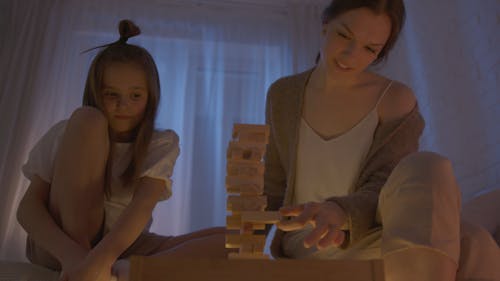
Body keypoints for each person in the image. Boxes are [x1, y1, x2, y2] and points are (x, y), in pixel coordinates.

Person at [263, 0, 500, 280]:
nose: (351, 55)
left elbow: (383, 187)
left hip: (369, 235)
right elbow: (273, 187)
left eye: (369, 49)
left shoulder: (395, 100)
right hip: (307, 241)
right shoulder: (283, 95)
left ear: (380, 53)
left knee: (429, 165)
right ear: (325, 25)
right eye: (344, 35)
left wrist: (340, 210)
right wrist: (241, 250)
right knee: (472, 241)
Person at [17, 20, 228, 281]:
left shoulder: (159, 142)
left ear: (151, 97)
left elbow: (142, 206)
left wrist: (104, 259)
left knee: (236, 241)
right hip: (61, 245)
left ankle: (120, 270)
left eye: (135, 96)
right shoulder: (70, 131)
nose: (123, 105)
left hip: (120, 246)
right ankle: (88, 265)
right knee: (88, 120)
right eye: (111, 94)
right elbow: (28, 208)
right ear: (96, 93)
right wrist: (75, 257)